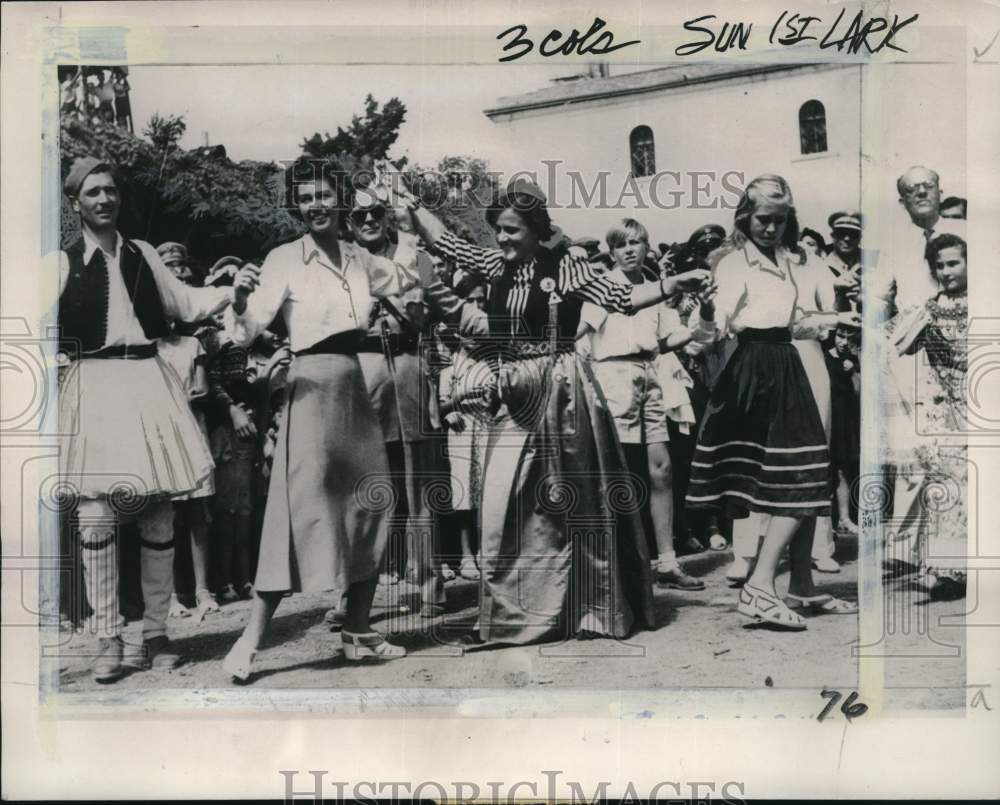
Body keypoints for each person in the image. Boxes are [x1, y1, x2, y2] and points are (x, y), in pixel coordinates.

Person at [404, 177, 710, 644]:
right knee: (506, 500)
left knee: (574, 499)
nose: (502, 239)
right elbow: (445, 241)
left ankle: (589, 607)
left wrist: (672, 283)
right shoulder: (492, 264)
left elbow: (623, 299)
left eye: (512, 230)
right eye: (498, 231)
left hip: (565, 388)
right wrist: (410, 205)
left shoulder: (568, 267)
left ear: (534, 228)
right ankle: (515, 611)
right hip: (514, 391)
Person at [221, 157, 422, 681]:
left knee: (371, 502)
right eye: (306, 197)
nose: (316, 205)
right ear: (298, 205)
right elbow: (245, 331)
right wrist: (239, 300)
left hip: (355, 385)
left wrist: (410, 223)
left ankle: (357, 629)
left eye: (324, 195)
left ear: (341, 200)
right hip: (310, 388)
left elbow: (410, 278)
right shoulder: (285, 258)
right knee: (296, 510)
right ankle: (249, 642)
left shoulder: (360, 257)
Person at [55, 157, 238, 682]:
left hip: (147, 380)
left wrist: (232, 292)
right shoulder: (61, 262)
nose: (105, 200)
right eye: (93, 193)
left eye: (111, 191)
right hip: (93, 385)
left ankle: (156, 632)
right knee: (96, 516)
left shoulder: (143, 255)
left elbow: (184, 303)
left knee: (158, 513)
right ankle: (107, 636)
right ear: (77, 203)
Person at [687, 175, 857, 630]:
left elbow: (791, 323)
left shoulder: (785, 259)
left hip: (786, 363)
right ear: (746, 217)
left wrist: (840, 317)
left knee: (808, 473)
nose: (771, 228)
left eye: (779, 221)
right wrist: (704, 313)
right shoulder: (732, 264)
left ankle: (800, 584)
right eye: (764, 219)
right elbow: (710, 332)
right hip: (756, 373)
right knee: (798, 477)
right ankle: (760, 587)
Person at [348, 186, 466, 618]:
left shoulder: (414, 255)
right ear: (348, 223)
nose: (368, 222)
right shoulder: (342, 261)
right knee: (362, 484)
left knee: (420, 481)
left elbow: (420, 316)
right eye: (358, 216)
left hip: (408, 360)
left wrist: (394, 282)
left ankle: (429, 583)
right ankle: (354, 593)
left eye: (376, 213)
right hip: (362, 365)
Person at [577, 218, 703, 591]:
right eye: (621, 245)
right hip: (612, 378)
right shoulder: (602, 288)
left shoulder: (655, 291)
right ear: (612, 251)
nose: (630, 250)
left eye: (637, 242)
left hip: (650, 376)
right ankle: (620, 564)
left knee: (661, 470)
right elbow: (579, 337)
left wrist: (705, 318)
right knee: (620, 473)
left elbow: (670, 338)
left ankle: (667, 561)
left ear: (647, 246)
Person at [876, 167, 965, 579]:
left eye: (927, 186)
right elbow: (880, 299)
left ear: (940, 190)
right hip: (912, 354)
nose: (921, 193)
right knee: (917, 450)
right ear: (902, 201)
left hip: (960, 348)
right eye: (911, 190)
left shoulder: (964, 235)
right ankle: (907, 549)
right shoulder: (894, 245)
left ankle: (951, 555)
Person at [438, 275, 492, 581]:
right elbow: (438, 405)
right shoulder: (450, 360)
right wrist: (450, 410)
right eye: (469, 301)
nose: (475, 307)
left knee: (489, 491)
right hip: (462, 431)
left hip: (489, 428)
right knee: (464, 493)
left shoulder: (495, 357)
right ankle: (466, 555)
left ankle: (488, 549)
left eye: (481, 301)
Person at [825, 324, 861, 537]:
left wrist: (854, 372)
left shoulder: (853, 361)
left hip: (845, 420)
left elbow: (858, 394)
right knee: (825, 470)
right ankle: (824, 523)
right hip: (827, 418)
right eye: (840, 336)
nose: (843, 342)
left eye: (849, 338)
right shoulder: (823, 358)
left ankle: (844, 519)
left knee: (842, 470)